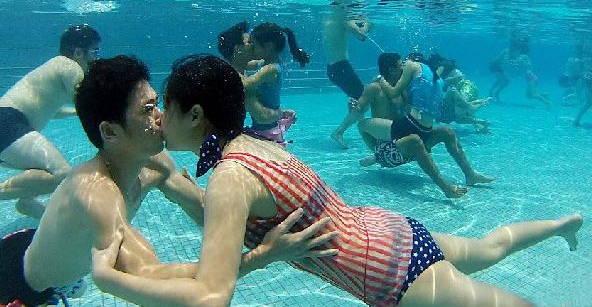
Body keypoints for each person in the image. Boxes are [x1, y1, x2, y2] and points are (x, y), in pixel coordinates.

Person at [92, 54, 583, 307]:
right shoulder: (256, 146)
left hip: (395, 276)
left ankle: (563, 227)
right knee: (490, 248)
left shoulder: (229, 177)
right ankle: (562, 224)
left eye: (165, 109)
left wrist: (111, 280)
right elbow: (229, 221)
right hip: (394, 231)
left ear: (195, 115)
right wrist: (173, 182)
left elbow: (210, 295)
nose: (158, 121)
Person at [0, 55, 335, 306]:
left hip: (51, 250)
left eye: (157, 104)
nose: (161, 116)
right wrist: (263, 255)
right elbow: (153, 277)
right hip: (20, 286)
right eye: (148, 110)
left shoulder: (154, 160)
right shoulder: (97, 195)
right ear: (110, 132)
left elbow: (203, 207)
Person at [0, 24, 100, 219]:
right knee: (62, 173)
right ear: (79, 52)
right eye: (94, 51)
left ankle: (27, 200)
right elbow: (86, 102)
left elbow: (52, 110)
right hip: (8, 123)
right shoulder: (69, 66)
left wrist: (75, 112)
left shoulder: (55, 66)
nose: (96, 58)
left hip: (7, 124)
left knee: (45, 169)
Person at [372, 53, 493, 197]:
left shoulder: (408, 83)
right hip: (396, 145)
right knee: (412, 140)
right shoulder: (379, 86)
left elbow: (414, 99)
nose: (403, 67)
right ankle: (446, 188)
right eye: (400, 65)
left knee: (448, 132)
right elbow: (367, 109)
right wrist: (379, 80)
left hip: (415, 131)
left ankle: (470, 175)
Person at [218, 21, 308, 148]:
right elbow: (244, 66)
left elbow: (246, 82)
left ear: (269, 46)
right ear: (238, 49)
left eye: (254, 44)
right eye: (250, 43)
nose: (253, 48)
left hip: (266, 131)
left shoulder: (270, 68)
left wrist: (230, 67)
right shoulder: (267, 64)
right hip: (264, 127)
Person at [324, 4, 373, 148]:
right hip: (341, 67)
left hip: (333, 69)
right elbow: (362, 36)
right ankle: (339, 132)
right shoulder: (345, 20)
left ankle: (360, 124)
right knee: (364, 100)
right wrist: (367, 22)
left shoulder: (328, 20)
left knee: (359, 100)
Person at [488, 33, 550, 106]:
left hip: (498, 66)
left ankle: (494, 92)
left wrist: (516, 67)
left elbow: (522, 66)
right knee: (504, 81)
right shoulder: (508, 51)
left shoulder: (518, 55)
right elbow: (504, 60)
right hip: (495, 66)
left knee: (503, 80)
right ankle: (493, 92)